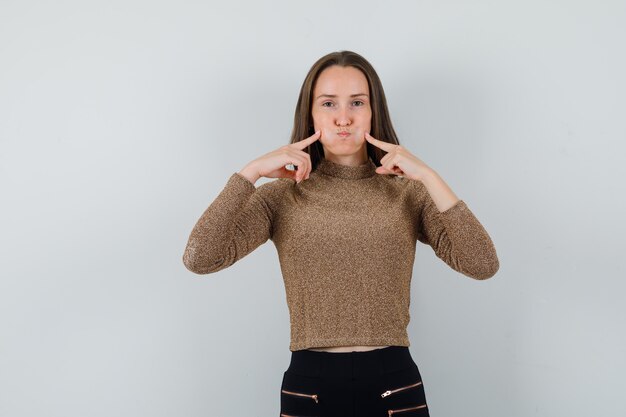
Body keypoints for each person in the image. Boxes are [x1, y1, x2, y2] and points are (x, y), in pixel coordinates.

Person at [182, 50, 499, 417]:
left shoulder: (407, 193)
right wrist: (250, 173)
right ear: (311, 113)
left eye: (357, 103)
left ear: (373, 111)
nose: (343, 117)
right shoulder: (282, 196)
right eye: (329, 103)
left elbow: (482, 263)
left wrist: (428, 175)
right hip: (310, 385)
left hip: (393, 383)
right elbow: (200, 258)